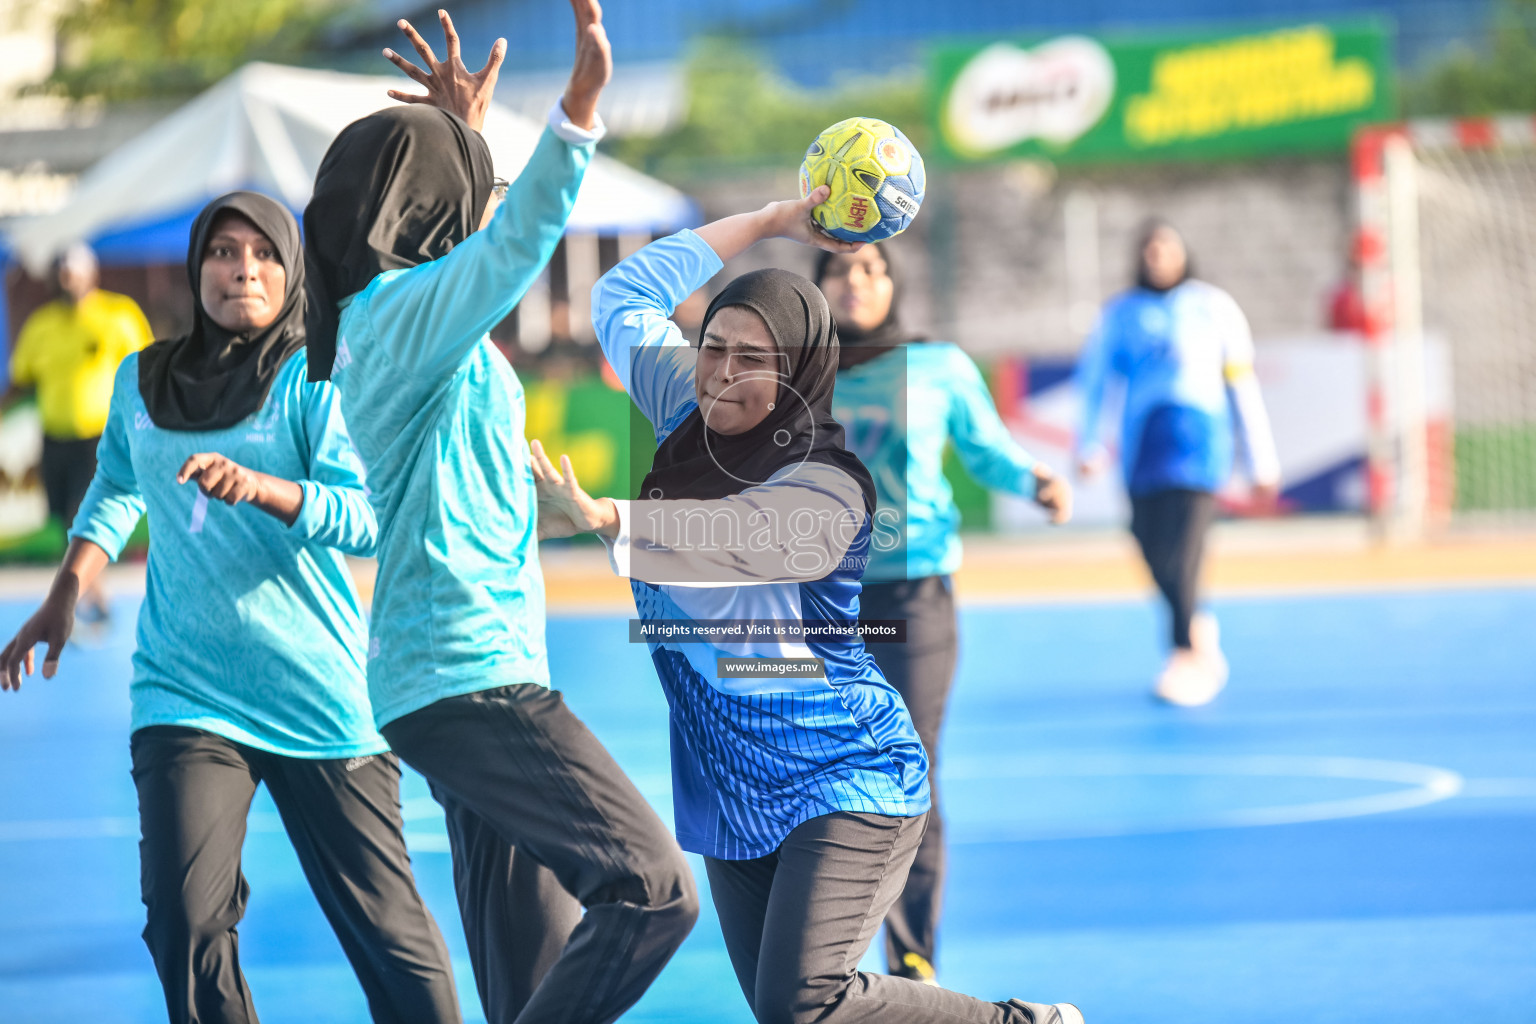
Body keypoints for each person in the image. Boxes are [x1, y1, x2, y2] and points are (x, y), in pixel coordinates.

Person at [532, 191, 1085, 1024]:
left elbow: (735, 538)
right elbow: (622, 296)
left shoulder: (829, 483)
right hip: (730, 785)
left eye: (754, 359)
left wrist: (611, 519)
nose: (724, 371)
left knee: (805, 1003)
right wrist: (767, 222)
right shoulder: (688, 407)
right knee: (787, 1015)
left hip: (844, 771)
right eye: (713, 347)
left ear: (797, 373)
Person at [303, 7, 698, 1023]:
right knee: (651, 889)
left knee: (526, 977)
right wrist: (574, 117)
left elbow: (472, 266)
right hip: (469, 675)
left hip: (467, 668)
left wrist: (466, 140)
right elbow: (507, 252)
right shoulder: (392, 319)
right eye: (446, 182)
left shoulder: (409, 320)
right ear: (417, 205)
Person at [0, 192, 460, 1024]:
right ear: (195, 268)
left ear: (291, 272)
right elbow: (114, 482)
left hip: (318, 696)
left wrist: (268, 489)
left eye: (262, 253)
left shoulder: (317, 378)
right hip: (184, 691)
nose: (241, 268)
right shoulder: (143, 379)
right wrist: (64, 592)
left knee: (394, 943)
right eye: (221, 251)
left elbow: (366, 518)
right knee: (184, 924)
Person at [816, 243, 1072, 985]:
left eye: (871, 269)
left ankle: (912, 954)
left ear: (893, 282)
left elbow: (986, 450)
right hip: (821, 600)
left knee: (909, 766)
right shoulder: (797, 371)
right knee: (825, 771)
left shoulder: (938, 366)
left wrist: (1035, 480)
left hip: (914, 594)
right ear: (819, 284)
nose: (856, 282)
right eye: (840, 270)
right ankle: (823, 948)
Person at [1074, 219, 1280, 707]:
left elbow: (1242, 385)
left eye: (1166, 247)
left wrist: (1261, 462)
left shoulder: (1214, 307)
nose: (1158, 256)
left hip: (1200, 447)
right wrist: (1088, 445)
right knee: (1150, 545)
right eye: (1149, 249)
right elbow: (1095, 383)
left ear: (1183, 253)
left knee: (1186, 550)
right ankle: (1196, 623)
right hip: (1144, 448)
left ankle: (1185, 655)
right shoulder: (1121, 315)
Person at [3, 243, 153, 623]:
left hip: (100, 439)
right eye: (61, 275)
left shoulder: (117, 316)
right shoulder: (42, 325)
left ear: (91, 276)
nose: (66, 283)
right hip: (55, 439)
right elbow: (22, 381)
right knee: (64, 520)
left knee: (81, 514)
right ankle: (85, 594)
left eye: (73, 275)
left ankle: (85, 598)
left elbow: (147, 370)